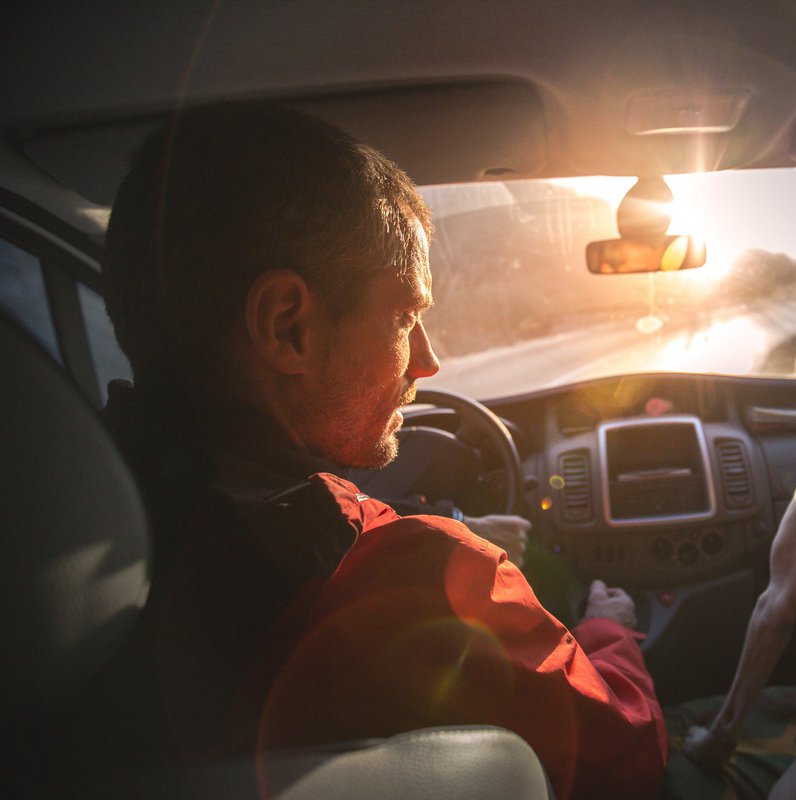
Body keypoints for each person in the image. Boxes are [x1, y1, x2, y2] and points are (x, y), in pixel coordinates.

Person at [101, 100, 667, 799]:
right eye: (406, 316)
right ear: (288, 329)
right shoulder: (422, 575)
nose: (427, 361)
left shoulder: (76, 521)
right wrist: (609, 632)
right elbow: (629, 754)